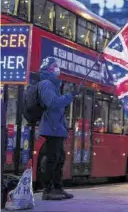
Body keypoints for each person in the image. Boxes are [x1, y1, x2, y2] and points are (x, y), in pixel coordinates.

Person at [38, 56, 74, 200]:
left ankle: (58, 188)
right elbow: (52, 103)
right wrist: (68, 97)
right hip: (51, 128)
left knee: (59, 159)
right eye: (54, 67)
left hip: (57, 128)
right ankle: (48, 190)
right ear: (48, 69)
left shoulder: (54, 85)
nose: (57, 69)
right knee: (52, 159)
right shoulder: (46, 84)